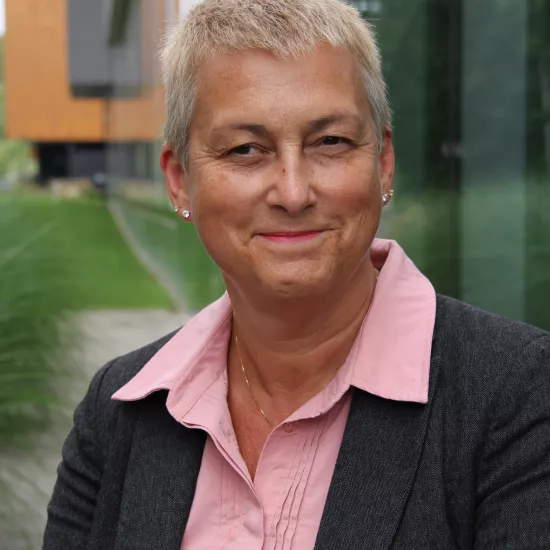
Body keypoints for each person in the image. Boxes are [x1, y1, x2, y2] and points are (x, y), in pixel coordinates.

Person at [43, 0, 550, 548]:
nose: (292, 191)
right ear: (179, 180)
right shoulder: (116, 410)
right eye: (245, 149)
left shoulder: (520, 397)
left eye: (330, 142)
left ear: (382, 161)